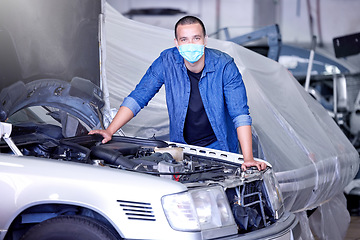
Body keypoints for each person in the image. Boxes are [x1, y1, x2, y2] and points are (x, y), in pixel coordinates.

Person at [89, 16, 267, 171]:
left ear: (205, 40)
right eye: (184, 39)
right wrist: (109, 130)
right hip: (182, 147)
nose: (190, 45)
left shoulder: (225, 66)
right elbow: (139, 96)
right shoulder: (167, 61)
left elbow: (240, 114)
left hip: (219, 146)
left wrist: (248, 158)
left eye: (196, 38)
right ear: (176, 43)